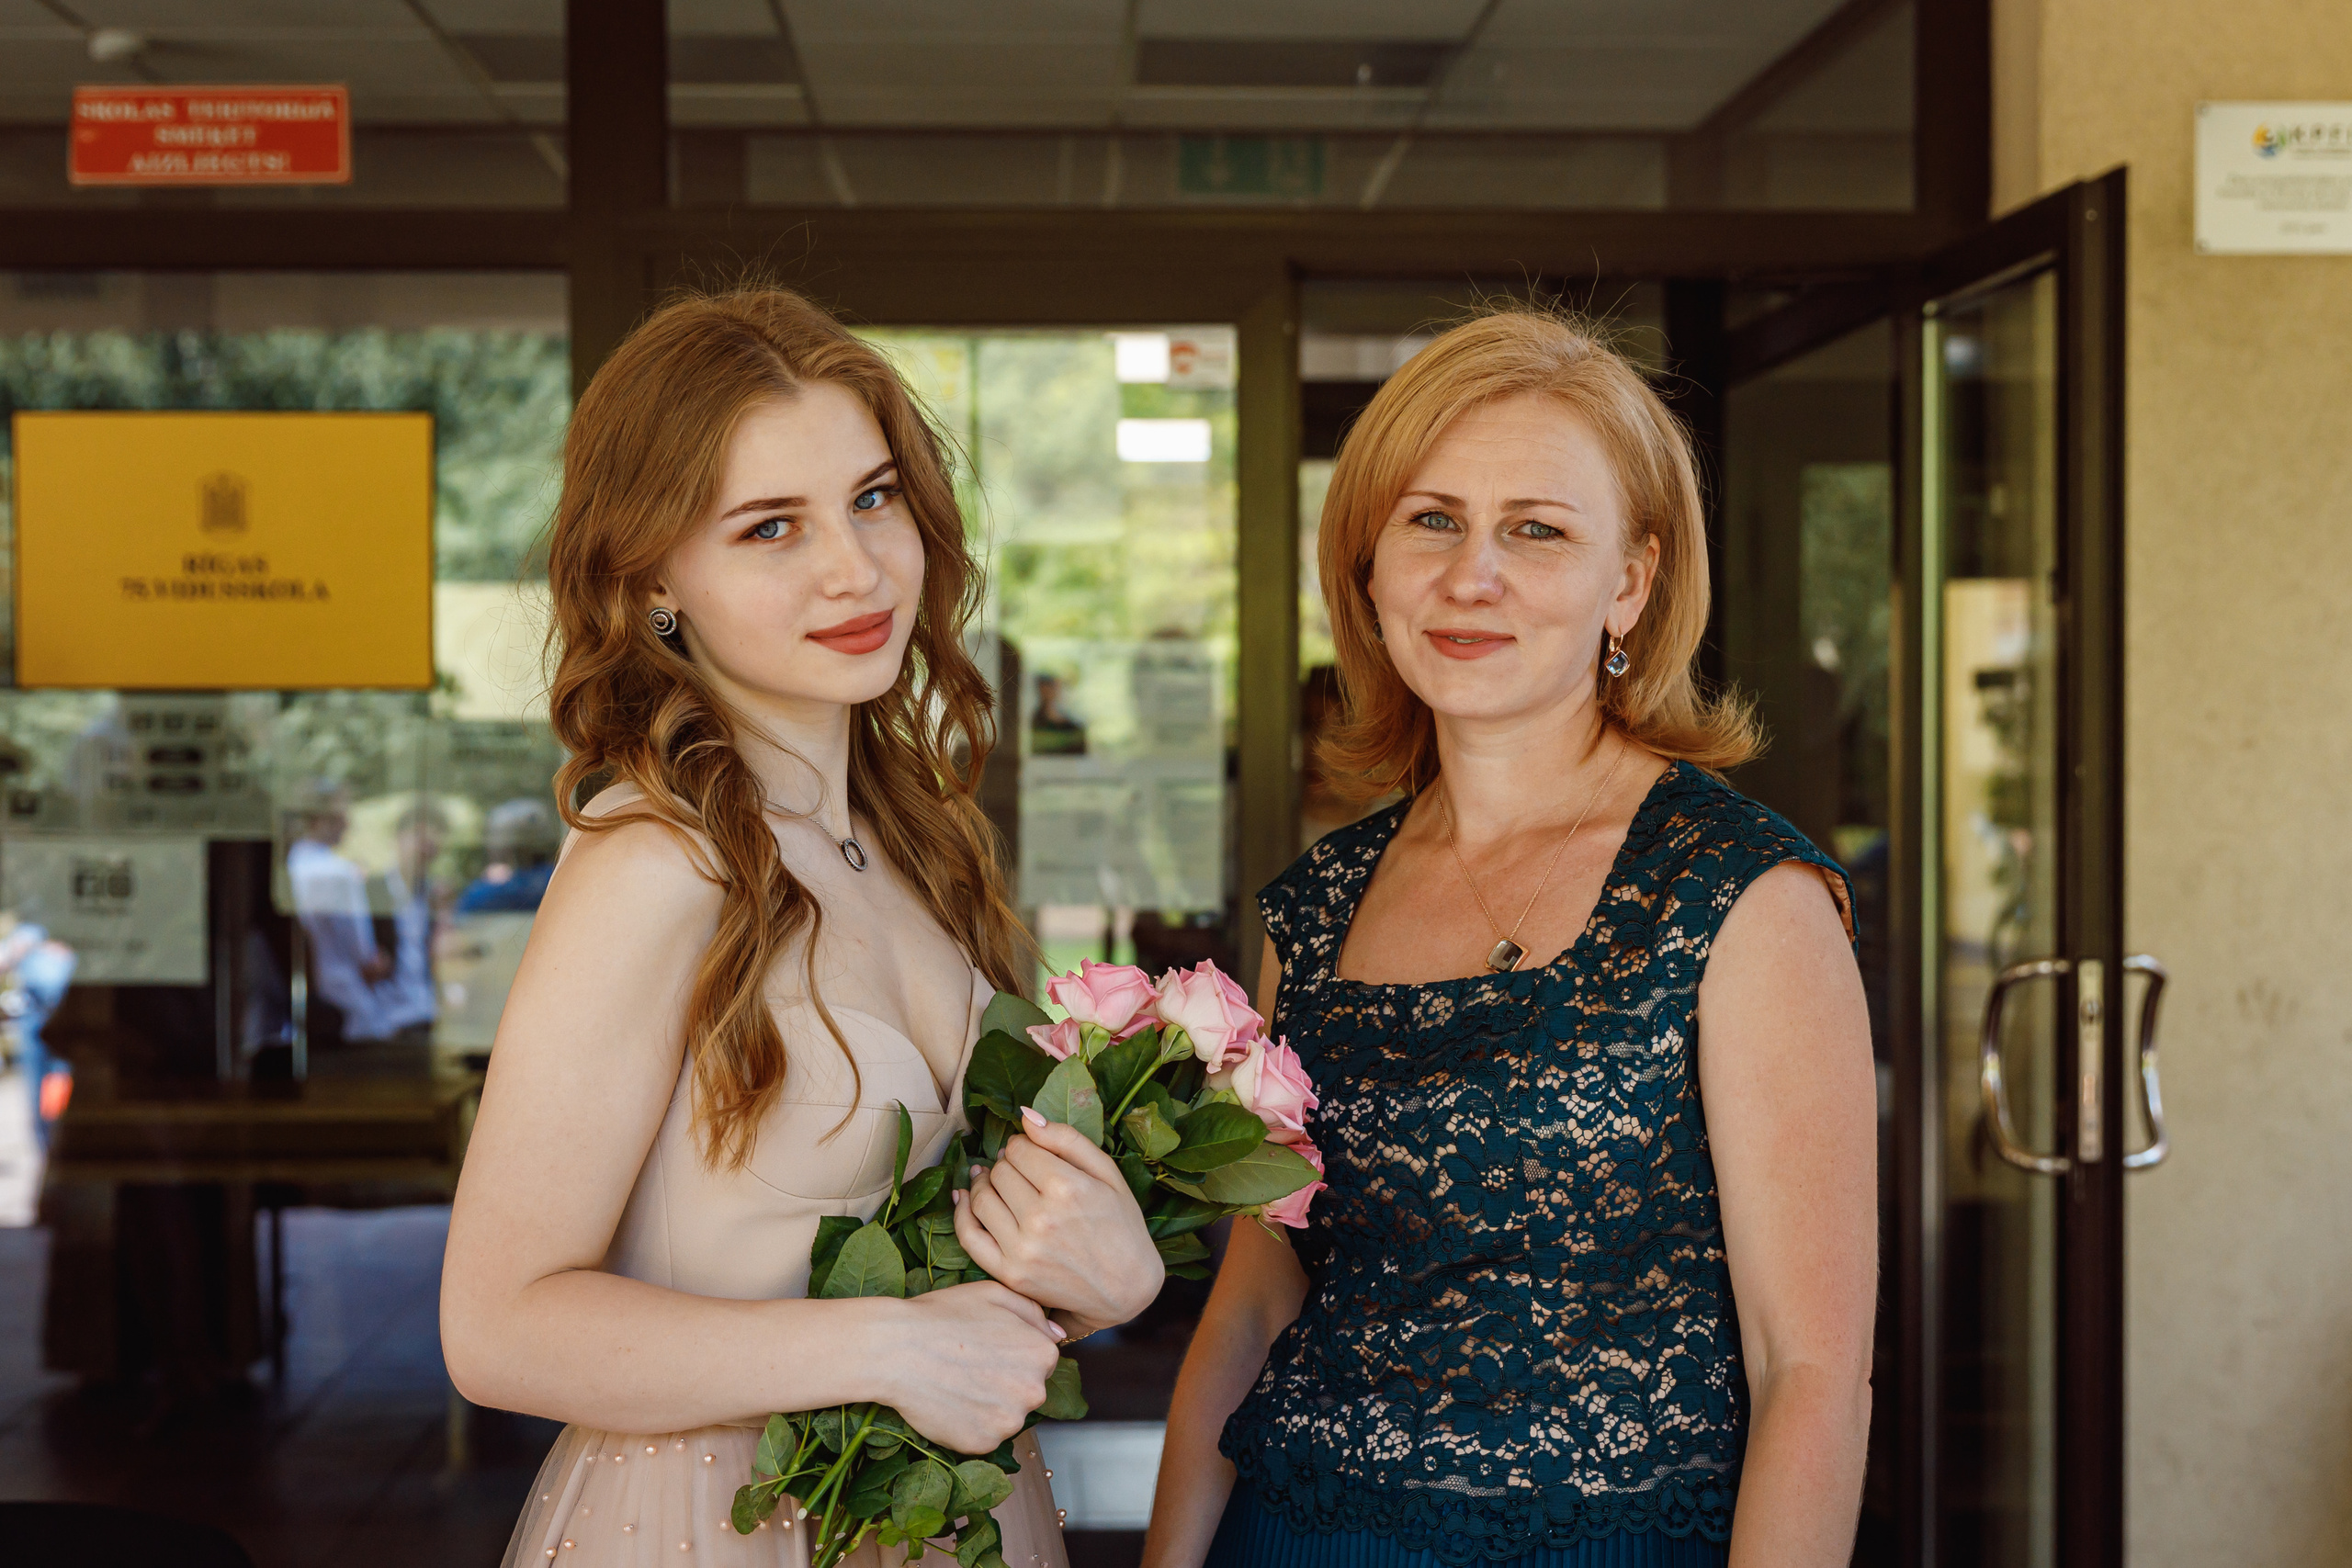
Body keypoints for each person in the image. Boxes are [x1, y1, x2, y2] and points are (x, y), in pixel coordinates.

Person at [440, 287, 1166, 1568]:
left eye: (873, 499)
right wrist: (886, 1349)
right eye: (771, 526)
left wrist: (1103, 1287)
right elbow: (496, 1330)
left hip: (953, 1521)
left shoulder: (920, 841)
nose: (856, 567)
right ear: (653, 578)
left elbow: (953, 1299)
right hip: (712, 1526)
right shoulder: (657, 860)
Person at [1146, 310, 1876, 1568]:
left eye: (1537, 530)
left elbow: (1809, 1373)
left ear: (1630, 583)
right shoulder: (1316, 909)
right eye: (1432, 520)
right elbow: (1256, 1304)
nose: (1471, 575)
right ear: (1369, 564)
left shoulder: (1740, 895)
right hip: (1293, 1537)